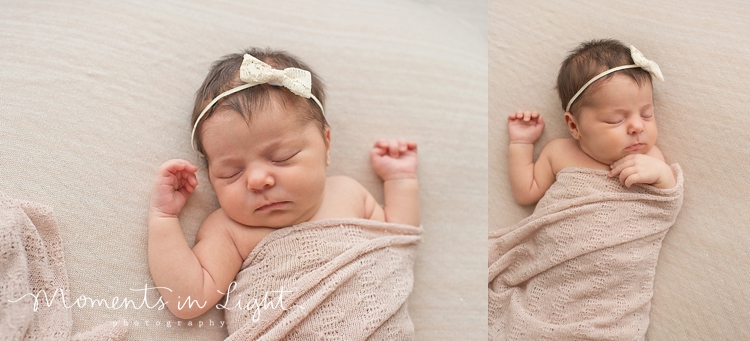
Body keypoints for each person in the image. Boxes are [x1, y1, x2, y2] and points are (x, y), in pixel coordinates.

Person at [147, 48, 419, 319]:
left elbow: (399, 242)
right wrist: (164, 219)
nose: (257, 181)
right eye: (231, 172)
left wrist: (400, 180)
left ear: (325, 144)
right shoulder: (230, 231)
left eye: (281, 157)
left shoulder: (348, 194)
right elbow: (187, 300)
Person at [507, 39, 676, 205]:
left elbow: (666, 201)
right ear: (574, 126)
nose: (638, 127)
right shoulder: (558, 152)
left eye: (646, 115)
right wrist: (521, 143)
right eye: (615, 120)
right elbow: (525, 194)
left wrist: (664, 175)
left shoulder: (650, 158)